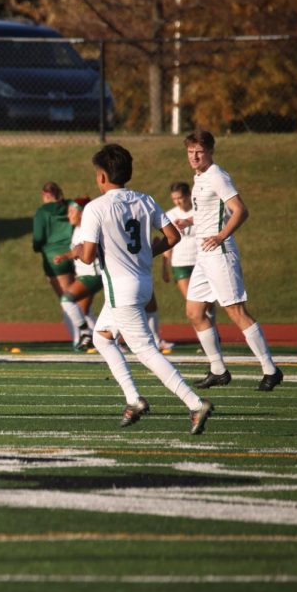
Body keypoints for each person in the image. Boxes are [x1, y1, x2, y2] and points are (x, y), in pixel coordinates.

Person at [77, 144, 214, 433]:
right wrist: (145, 254)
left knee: (146, 351)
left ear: (102, 177)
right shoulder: (144, 199)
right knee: (102, 338)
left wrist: (78, 250)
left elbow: (88, 256)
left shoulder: (96, 207)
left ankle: (194, 402)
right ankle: (133, 399)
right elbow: (172, 236)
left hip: (120, 289)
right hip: (142, 283)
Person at [181, 130, 282, 391]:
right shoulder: (200, 176)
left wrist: (222, 234)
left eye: (199, 151)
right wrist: (189, 221)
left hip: (220, 252)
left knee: (236, 311)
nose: (194, 156)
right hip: (204, 254)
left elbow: (240, 210)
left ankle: (270, 369)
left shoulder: (217, 175)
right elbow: (207, 210)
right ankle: (218, 369)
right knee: (194, 312)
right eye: (191, 151)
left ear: (210, 152)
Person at [52, 197, 100, 350]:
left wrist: (66, 255)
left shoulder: (87, 228)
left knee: (67, 300)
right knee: (84, 311)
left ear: (82, 213)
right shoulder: (78, 229)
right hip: (86, 274)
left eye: (72, 211)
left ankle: (86, 333)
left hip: (93, 274)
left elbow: (83, 250)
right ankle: (101, 341)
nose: (69, 215)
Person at [33, 182, 76, 343]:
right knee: (80, 297)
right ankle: (88, 334)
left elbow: (38, 238)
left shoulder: (42, 212)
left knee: (67, 300)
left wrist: (37, 247)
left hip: (54, 258)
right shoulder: (70, 205)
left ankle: (79, 338)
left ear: (45, 195)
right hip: (74, 253)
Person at [162, 181, 197, 300]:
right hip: (180, 263)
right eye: (174, 199)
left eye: (180, 197)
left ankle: (210, 316)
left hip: (201, 261)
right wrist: (165, 267)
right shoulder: (170, 215)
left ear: (189, 194)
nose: (177, 201)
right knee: (191, 302)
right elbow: (169, 243)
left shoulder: (199, 212)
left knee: (206, 303)